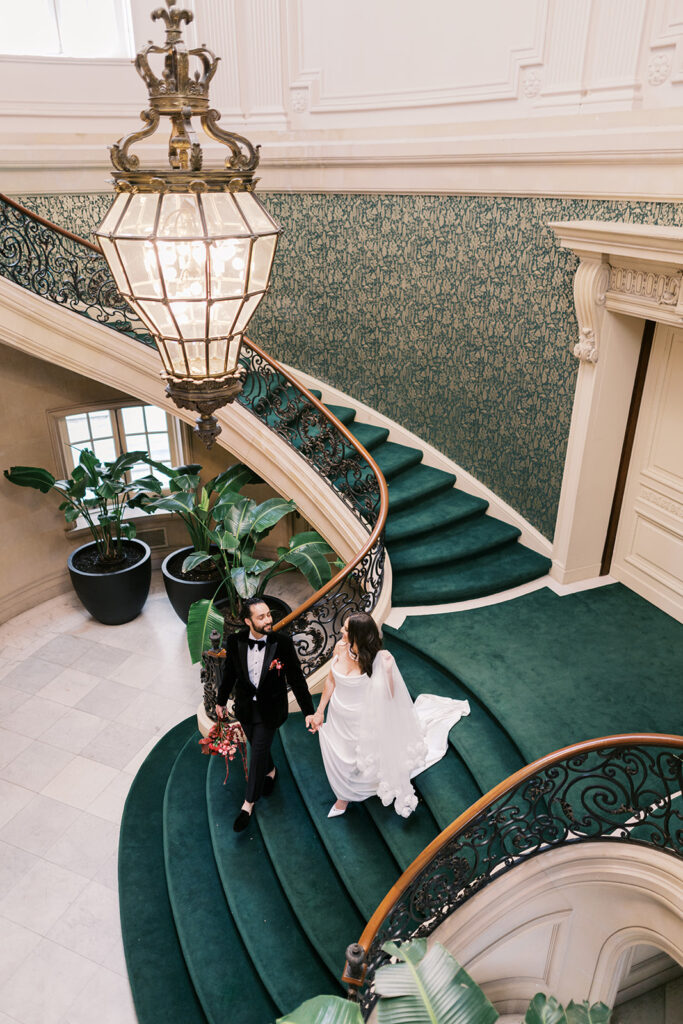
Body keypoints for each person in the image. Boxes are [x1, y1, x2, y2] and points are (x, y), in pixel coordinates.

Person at [306, 612, 470, 818]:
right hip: (338, 714)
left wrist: (385, 674)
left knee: (363, 756)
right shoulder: (340, 647)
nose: (341, 631)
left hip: (363, 720)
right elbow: (331, 681)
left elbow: (390, 697)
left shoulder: (380, 661)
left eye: (346, 629)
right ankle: (344, 794)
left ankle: (360, 787)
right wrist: (320, 711)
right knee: (342, 753)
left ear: (359, 634)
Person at [217, 597, 314, 832]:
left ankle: (248, 803)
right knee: (256, 744)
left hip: (270, 710)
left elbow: (297, 680)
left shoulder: (282, 643)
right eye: (261, 617)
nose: (269, 620)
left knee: (257, 750)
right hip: (245, 708)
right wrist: (220, 701)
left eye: (269, 614)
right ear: (248, 621)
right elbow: (229, 673)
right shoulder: (235, 641)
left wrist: (308, 712)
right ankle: (271, 771)